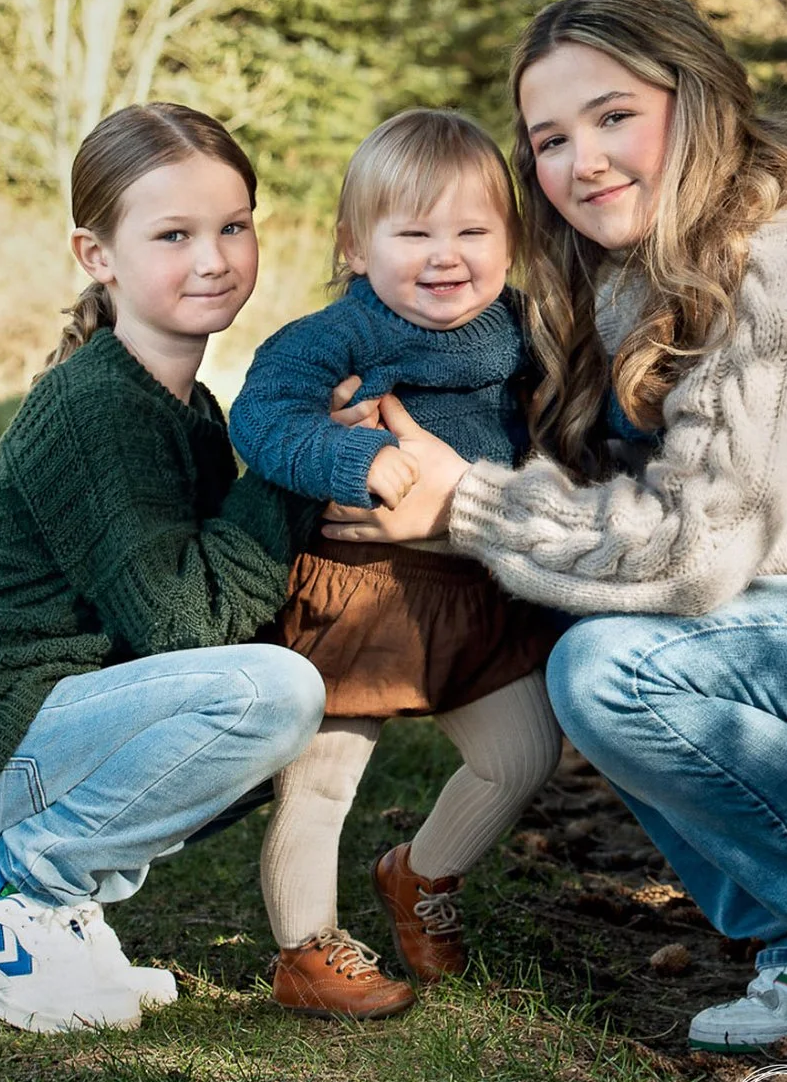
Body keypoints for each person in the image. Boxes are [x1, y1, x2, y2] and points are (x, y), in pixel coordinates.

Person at [322, 0, 787, 1082]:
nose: (584, 159)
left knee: (622, 665)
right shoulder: (633, 281)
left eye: (615, 114)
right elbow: (594, 520)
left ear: (697, 97)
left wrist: (460, 505)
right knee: (584, 617)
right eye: (551, 138)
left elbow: (687, 551)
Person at [0, 102, 327, 1034]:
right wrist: (291, 466)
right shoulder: (98, 407)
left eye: (234, 226)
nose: (213, 258)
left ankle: (60, 909)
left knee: (284, 696)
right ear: (95, 255)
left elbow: (207, 604)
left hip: (43, 725)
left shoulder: (185, 408)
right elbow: (190, 627)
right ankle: (1, 887)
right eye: (174, 234)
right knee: (269, 694)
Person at [229, 109, 562, 1018]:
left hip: (474, 589)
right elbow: (261, 418)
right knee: (324, 778)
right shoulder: (336, 339)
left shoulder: (527, 330)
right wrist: (354, 460)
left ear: (510, 238)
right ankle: (306, 949)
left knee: (522, 753)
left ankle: (422, 875)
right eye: (413, 232)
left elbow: (569, 418)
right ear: (354, 244)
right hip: (360, 595)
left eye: (471, 231)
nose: (444, 255)